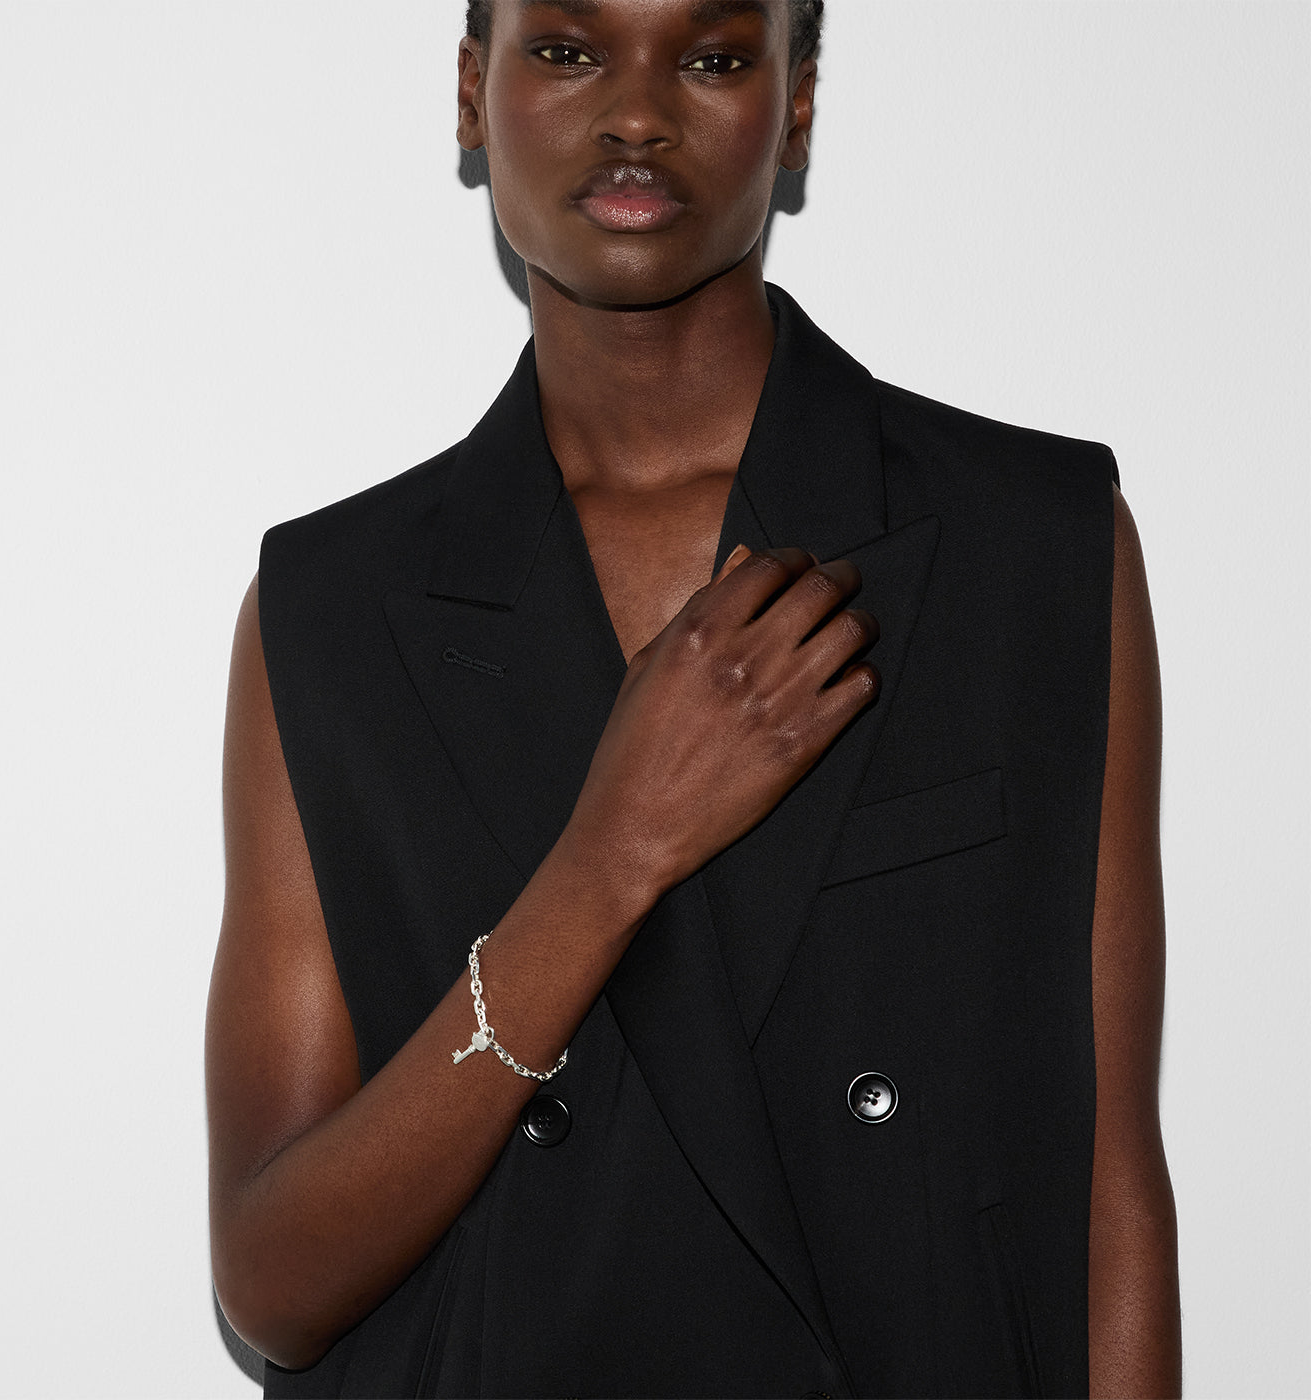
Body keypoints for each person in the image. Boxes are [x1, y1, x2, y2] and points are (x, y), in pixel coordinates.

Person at [205, 1, 1181, 1394]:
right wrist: (612, 857)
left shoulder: (1033, 542)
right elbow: (272, 1283)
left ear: (795, 110)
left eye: (715, 58)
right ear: (474, 93)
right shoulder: (330, 608)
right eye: (567, 49)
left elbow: (1109, 1191)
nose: (639, 109)